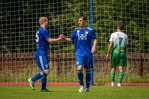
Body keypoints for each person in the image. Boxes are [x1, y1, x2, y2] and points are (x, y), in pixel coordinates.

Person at [62, 14, 97, 92]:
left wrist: (94, 46)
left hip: (88, 53)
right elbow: (71, 39)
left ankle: (87, 87)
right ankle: (81, 85)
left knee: (87, 70)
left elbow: (95, 39)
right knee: (79, 68)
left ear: (85, 21)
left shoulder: (90, 30)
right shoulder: (76, 31)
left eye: (80, 20)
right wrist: (64, 38)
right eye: (78, 21)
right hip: (79, 53)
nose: (79, 22)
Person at [28, 17, 63, 92]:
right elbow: (50, 41)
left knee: (44, 71)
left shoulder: (39, 30)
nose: (48, 23)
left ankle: (43, 88)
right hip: (41, 53)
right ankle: (32, 79)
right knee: (46, 71)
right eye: (47, 21)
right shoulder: (43, 30)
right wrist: (59, 39)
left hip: (41, 53)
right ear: (44, 22)